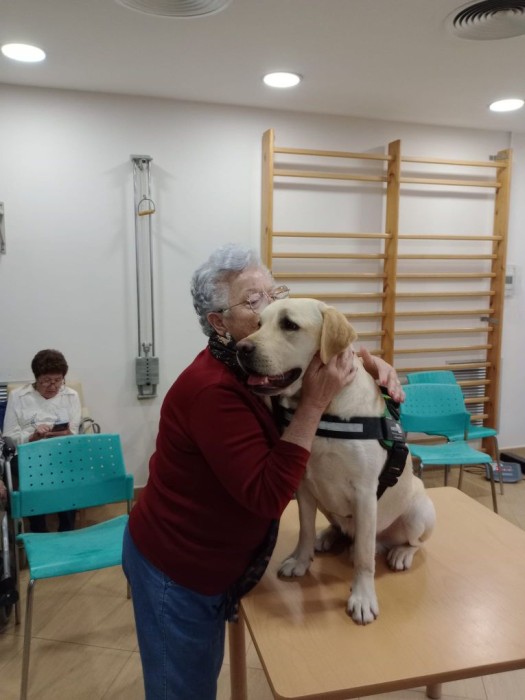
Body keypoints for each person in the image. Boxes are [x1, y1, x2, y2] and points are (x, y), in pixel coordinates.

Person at [122, 243, 405, 700]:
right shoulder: (213, 390)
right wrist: (314, 403)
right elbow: (269, 495)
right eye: (254, 301)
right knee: (185, 688)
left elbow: (320, 341)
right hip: (179, 566)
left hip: (222, 555)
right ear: (219, 323)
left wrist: (371, 362)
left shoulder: (252, 366)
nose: (268, 309)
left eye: (273, 294)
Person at [3, 349, 81, 532]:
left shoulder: (71, 396)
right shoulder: (19, 396)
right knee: (35, 472)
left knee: (67, 472)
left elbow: (74, 432)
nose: (53, 386)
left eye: (58, 380)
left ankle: (67, 530)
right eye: (46, 380)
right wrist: (32, 436)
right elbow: (8, 436)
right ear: (36, 378)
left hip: (60, 451)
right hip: (27, 453)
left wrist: (65, 433)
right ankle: (38, 529)